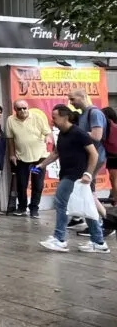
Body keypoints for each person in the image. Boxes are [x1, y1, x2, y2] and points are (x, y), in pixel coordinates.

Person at [38, 105, 109, 253]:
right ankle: (98, 241)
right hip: (67, 174)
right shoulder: (62, 134)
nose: (53, 121)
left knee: (60, 202)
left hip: (76, 176)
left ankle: (59, 239)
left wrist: (88, 174)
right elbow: (56, 153)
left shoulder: (79, 133)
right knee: (87, 208)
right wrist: (42, 165)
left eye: (55, 118)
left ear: (65, 117)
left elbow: (94, 154)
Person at [67, 89, 108, 229]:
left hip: (95, 157)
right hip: (89, 157)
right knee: (87, 189)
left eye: (72, 99)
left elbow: (97, 135)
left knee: (86, 189)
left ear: (82, 96)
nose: (71, 103)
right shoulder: (84, 114)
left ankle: (106, 220)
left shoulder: (94, 113)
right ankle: (98, 221)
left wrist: (76, 132)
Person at [6, 99, 49, 218]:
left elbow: (47, 132)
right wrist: (11, 154)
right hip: (22, 159)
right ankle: (22, 207)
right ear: (15, 110)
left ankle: (34, 208)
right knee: (21, 184)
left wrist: (48, 138)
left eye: (24, 108)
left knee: (37, 184)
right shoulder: (10, 120)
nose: (22, 111)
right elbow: (10, 139)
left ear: (28, 107)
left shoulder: (37, 117)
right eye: (19, 109)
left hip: (38, 159)